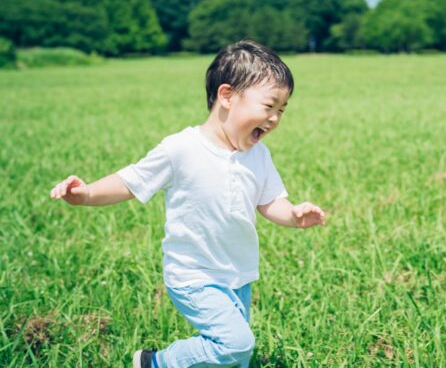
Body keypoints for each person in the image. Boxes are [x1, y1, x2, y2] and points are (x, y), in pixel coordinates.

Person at [49, 39, 327, 368]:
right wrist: (85, 194)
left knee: (233, 355)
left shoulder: (258, 155)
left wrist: (294, 215)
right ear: (227, 96)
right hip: (194, 274)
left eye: (282, 109)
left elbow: (269, 202)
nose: (275, 118)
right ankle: (155, 363)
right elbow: (131, 181)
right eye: (269, 106)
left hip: (238, 274)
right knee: (235, 344)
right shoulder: (181, 149)